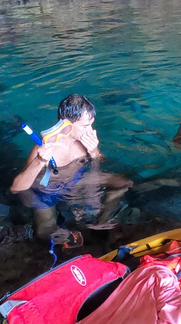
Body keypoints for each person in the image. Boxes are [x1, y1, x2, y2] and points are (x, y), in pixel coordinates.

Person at [11, 94, 133, 242]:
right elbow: (16, 188)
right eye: (85, 126)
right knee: (46, 233)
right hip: (48, 190)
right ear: (66, 125)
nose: (91, 130)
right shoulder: (44, 147)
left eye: (91, 124)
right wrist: (39, 160)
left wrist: (94, 152)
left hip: (76, 181)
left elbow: (100, 163)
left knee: (123, 183)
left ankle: (101, 221)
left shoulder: (84, 141)